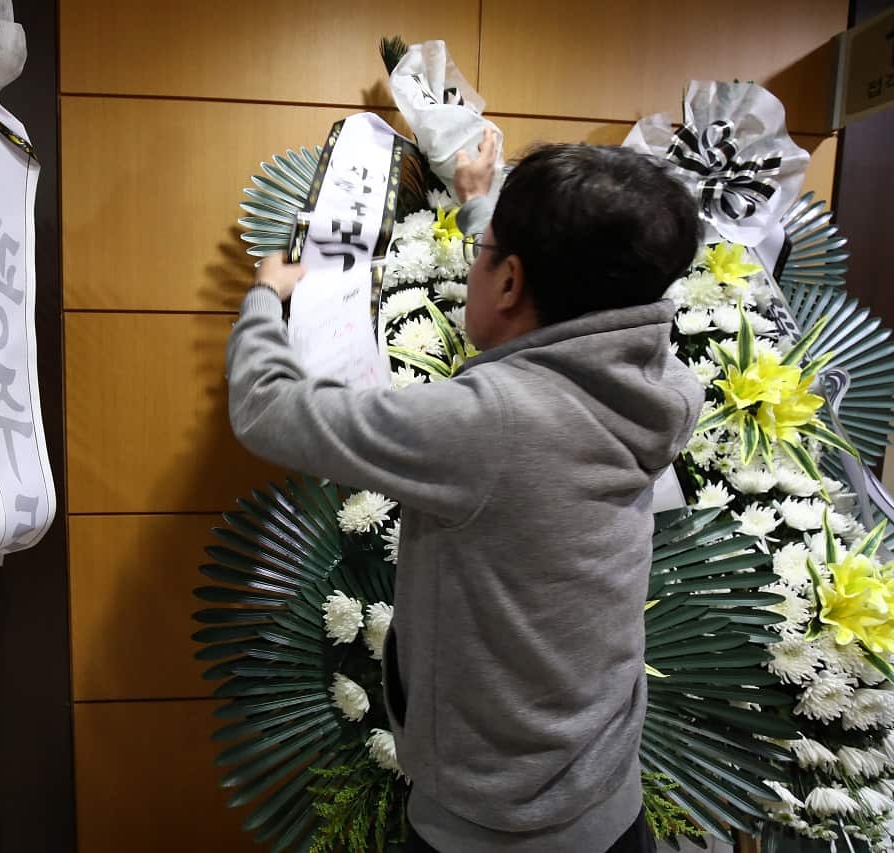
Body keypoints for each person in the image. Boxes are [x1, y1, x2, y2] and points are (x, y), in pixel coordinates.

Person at [224, 132, 703, 852]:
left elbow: (265, 406)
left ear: (510, 282)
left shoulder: (488, 423)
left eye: (488, 256)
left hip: (488, 825)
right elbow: (555, 306)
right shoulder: (668, 386)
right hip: (608, 798)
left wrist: (265, 294)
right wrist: (483, 211)